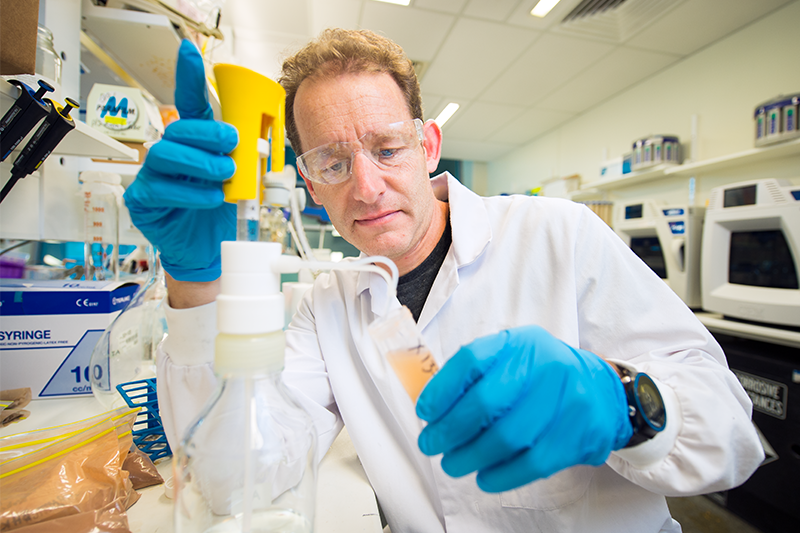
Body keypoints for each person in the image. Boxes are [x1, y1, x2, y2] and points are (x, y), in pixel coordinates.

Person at [123, 30, 764, 532]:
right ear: (310, 184)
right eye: (334, 162)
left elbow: (732, 436)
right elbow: (233, 481)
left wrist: (620, 402)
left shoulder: (557, 235)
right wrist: (196, 286)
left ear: (429, 146)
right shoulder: (327, 309)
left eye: (388, 148)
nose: (367, 187)